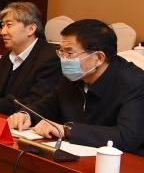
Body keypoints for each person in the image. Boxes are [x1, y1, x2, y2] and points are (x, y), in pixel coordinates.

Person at [7, 20, 144, 153]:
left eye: (69, 53)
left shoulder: (135, 83)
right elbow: (49, 105)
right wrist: (26, 115)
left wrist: (67, 130)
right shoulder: (75, 75)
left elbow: (127, 136)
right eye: (61, 52)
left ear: (99, 58)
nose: (63, 59)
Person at [0, 2, 61, 115]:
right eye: (2, 25)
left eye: (9, 25)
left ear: (31, 29)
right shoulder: (7, 56)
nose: (3, 32)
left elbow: (37, 103)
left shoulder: (49, 58)